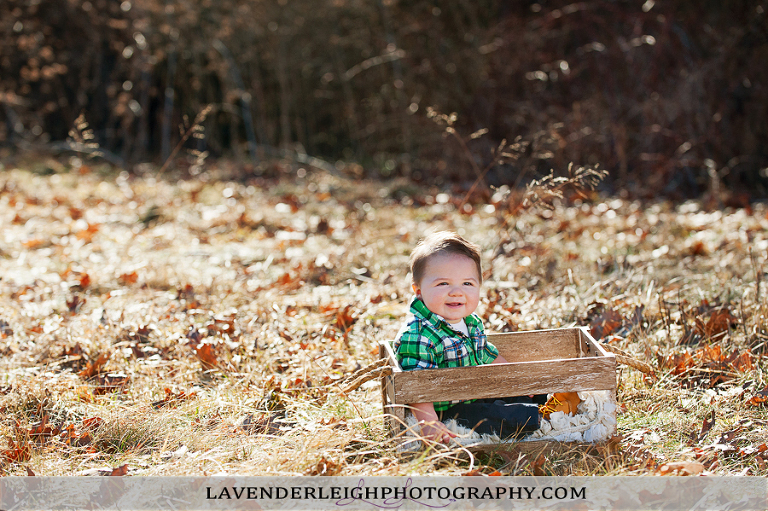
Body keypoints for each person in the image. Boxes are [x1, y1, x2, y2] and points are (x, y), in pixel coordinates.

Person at [394, 231, 580, 444]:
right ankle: (544, 419)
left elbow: (488, 356)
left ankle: (547, 402)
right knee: (493, 416)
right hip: (447, 408)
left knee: (519, 396)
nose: (456, 292)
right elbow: (417, 385)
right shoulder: (418, 334)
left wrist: (518, 383)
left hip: (477, 390)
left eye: (467, 284)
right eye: (443, 284)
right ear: (418, 291)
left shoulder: (471, 322)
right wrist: (428, 423)